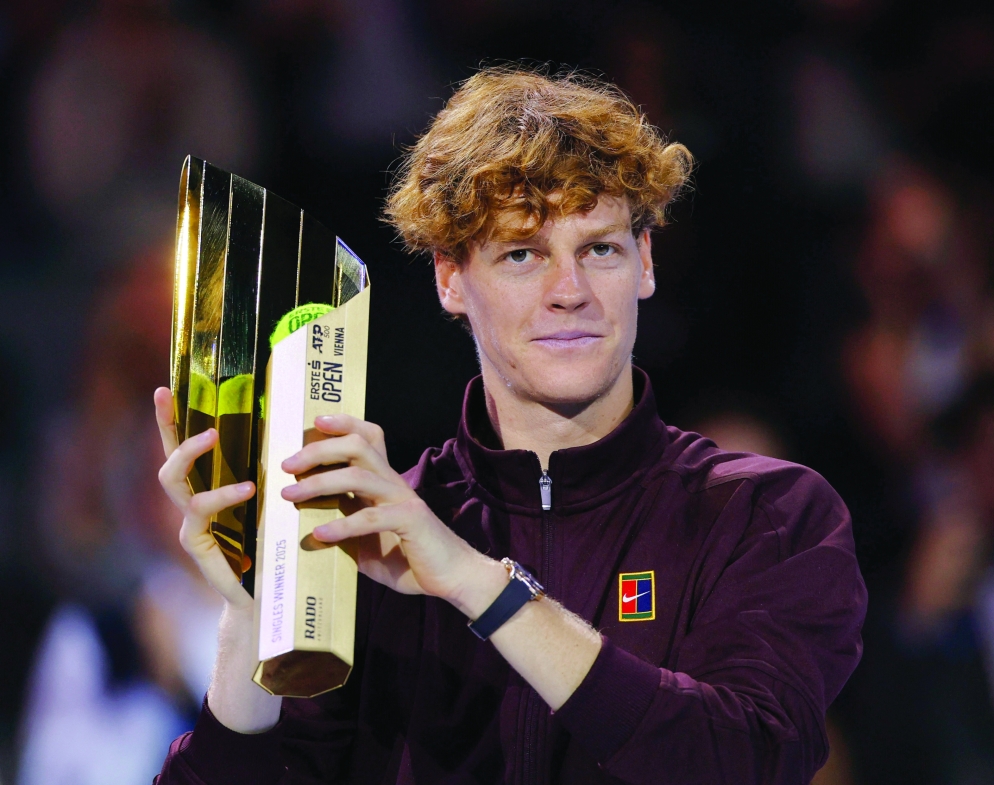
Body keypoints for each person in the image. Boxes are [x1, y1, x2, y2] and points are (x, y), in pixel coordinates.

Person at [153, 67, 866, 784]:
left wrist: (479, 584)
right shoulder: (365, 545)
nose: (570, 292)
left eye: (600, 249)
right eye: (522, 254)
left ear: (645, 262)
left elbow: (745, 759)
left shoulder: (765, 514)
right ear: (450, 279)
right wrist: (254, 610)